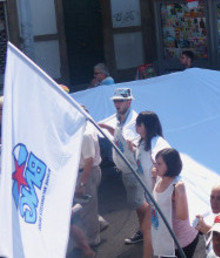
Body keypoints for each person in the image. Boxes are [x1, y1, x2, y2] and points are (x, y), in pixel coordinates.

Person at [97, 88, 150, 254]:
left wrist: (132, 144)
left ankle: (146, 232)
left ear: (129, 102)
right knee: (138, 203)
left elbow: (136, 142)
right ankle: (146, 230)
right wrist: (107, 128)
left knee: (140, 204)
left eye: (120, 101)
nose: (117, 104)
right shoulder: (120, 119)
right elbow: (119, 136)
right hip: (126, 169)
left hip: (133, 170)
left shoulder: (133, 122)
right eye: (115, 101)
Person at [150, 148, 199, 257]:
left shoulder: (176, 186)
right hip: (165, 237)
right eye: (155, 163)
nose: (155, 166)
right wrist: (154, 178)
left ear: (170, 165)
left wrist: (180, 192)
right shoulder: (160, 178)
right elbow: (155, 198)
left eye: (159, 164)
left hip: (181, 242)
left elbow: (183, 216)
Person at [72, 106, 103, 248]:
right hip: (89, 172)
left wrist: (82, 183)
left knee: (86, 208)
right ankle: (99, 223)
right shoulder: (88, 129)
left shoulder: (84, 134)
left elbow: (89, 160)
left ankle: (93, 238)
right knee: (88, 205)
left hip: (87, 173)